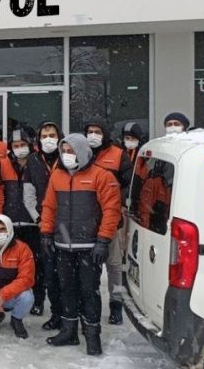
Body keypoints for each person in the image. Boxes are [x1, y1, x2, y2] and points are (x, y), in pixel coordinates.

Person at [41, 134, 121, 356]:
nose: (67, 155)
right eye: (64, 151)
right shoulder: (57, 176)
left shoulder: (101, 176)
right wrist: (46, 233)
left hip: (89, 247)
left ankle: (92, 334)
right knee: (66, 288)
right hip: (63, 245)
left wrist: (103, 240)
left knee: (89, 291)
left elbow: (111, 210)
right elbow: (49, 207)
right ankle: (69, 331)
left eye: (71, 151)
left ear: (83, 152)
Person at [84, 119, 132, 326]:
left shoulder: (118, 155)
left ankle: (116, 304)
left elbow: (129, 184)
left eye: (97, 131)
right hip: (87, 220)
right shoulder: (82, 153)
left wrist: (116, 199)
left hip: (111, 219)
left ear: (105, 134)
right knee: (90, 267)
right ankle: (91, 304)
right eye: (90, 131)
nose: (93, 135)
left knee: (114, 266)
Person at [0, 127, 46, 316]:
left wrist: (41, 216)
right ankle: (13, 298)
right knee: (11, 265)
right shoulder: (3, 164)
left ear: (30, 144)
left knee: (36, 263)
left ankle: (38, 299)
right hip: (10, 223)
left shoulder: (38, 163)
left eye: (22, 144)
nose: (19, 148)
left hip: (33, 223)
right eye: (16, 145)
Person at [26, 121, 64, 331]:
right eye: (44, 136)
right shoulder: (33, 160)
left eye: (52, 135)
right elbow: (28, 194)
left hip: (67, 224)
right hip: (43, 224)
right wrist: (38, 219)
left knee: (66, 272)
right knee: (46, 270)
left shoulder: (67, 156)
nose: (48, 139)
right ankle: (52, 311)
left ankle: (69, 315)